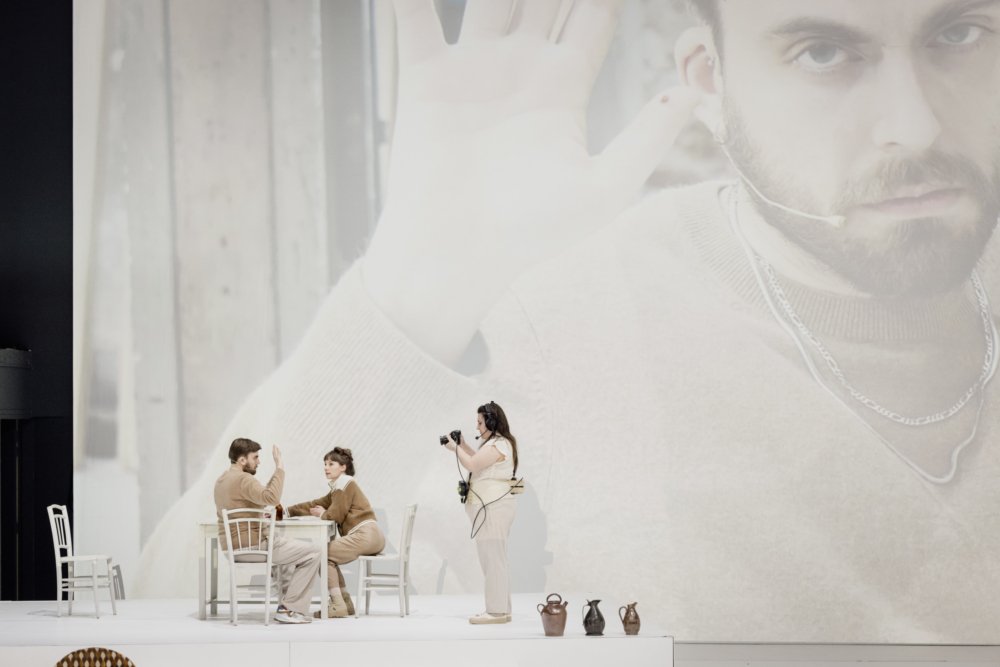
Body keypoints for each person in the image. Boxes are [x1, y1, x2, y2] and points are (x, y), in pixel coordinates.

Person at [140, 0, 1000, 643]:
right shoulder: (578, 315)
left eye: (960, 34)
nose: (915, 125)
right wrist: (416, 289)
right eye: (823, 52)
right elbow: (174, 622)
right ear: (710, 80)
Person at [213, 438, 322, 624]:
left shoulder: (222, 480)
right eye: (255, 457)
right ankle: (289, 610)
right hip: (255, 547)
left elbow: (260, 497)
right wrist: (279, 467)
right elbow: (271, 497)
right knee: (314, 552)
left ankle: (286, 605)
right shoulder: (244, 479)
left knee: (288, 556)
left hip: (232, 549)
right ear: (242, 460)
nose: (259, 461)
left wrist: (256, 514)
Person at [441, 401, 520, 624]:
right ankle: (502, 609)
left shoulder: (499, 445)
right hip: (492, 507)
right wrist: (464, 445)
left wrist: (455, 448)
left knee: (492, 559)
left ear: (492, 422)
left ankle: (495, 612)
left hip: (494, 507)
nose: (477, 427)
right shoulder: (496, 444)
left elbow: (473, 465)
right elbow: (478, 460)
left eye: (480, 422)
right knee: (495, 559)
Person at [285, 447, 385, 618]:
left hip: (364, 535)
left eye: (331, 464)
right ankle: (345, 603)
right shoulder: (339, 487)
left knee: (321, 554)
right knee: (327, 555)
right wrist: (287, 511)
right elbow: (315, 504)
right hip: (374, 536)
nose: (326, 467)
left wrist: (322, 514)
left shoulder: (344, 483)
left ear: (343, 467)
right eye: (325, 464)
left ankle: (338, 604)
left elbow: (335, 515)